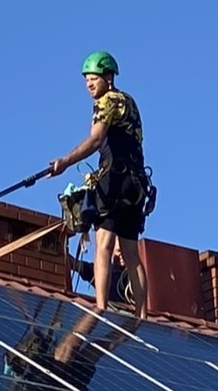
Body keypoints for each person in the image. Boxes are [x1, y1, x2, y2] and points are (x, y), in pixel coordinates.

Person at [48, 50, 150, 318]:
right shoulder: (130, 102)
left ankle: (101, 306)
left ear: (108, 77)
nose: (89, 85)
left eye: (93, 78)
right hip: (137, 184)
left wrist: (65, 162)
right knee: (131, 253)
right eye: (86, 80)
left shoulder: (106, 102)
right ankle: (142, 315)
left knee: (102, 244)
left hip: (114, 180)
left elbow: (95, 140)